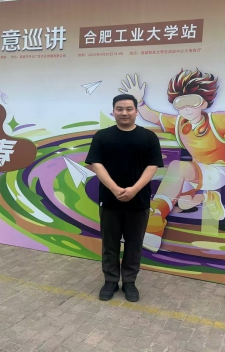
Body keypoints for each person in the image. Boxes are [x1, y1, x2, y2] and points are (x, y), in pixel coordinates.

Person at [119, 70, 225, 252]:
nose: (187, 108)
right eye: (180, 103)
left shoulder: (217, 120)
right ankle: (209, 197)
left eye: (192, 102)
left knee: (177, 167)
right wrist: (139, 101)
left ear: (203, 102)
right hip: (196, 171)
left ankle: (154, 222)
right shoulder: (179, 123)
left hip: (218, 171)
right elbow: (151, 116)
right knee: (183, 202)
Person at [85, 94, 164, 302]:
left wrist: (134, 190)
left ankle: (129, 282)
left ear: (136, 111)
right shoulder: (102, 136)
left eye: (129, 109)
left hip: (139, 200)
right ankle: (110, 281)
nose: (124, 113)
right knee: (109, 244)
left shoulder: (148, 137)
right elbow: (95, 164)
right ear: (113, 111)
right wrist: (115, 189)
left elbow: (153, 166)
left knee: (134, 244)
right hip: (109, 200)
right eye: (119, 109)